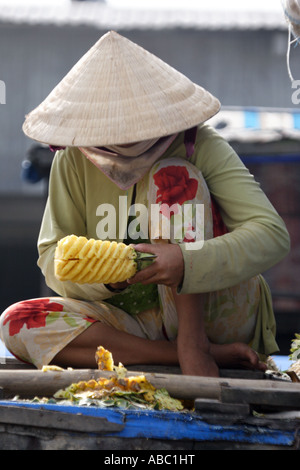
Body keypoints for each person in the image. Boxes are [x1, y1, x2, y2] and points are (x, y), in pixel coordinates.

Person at [0, 31, 290, 376]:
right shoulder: (72, 160)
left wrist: (186, 261)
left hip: (218, 313)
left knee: (174, 175)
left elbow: (272, 235)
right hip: (128, 324)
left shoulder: (200, 145)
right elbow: (53, 259)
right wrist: (110, 276)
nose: (126, 137)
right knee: (16, 322)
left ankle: (194, 342)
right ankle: (175, 354)